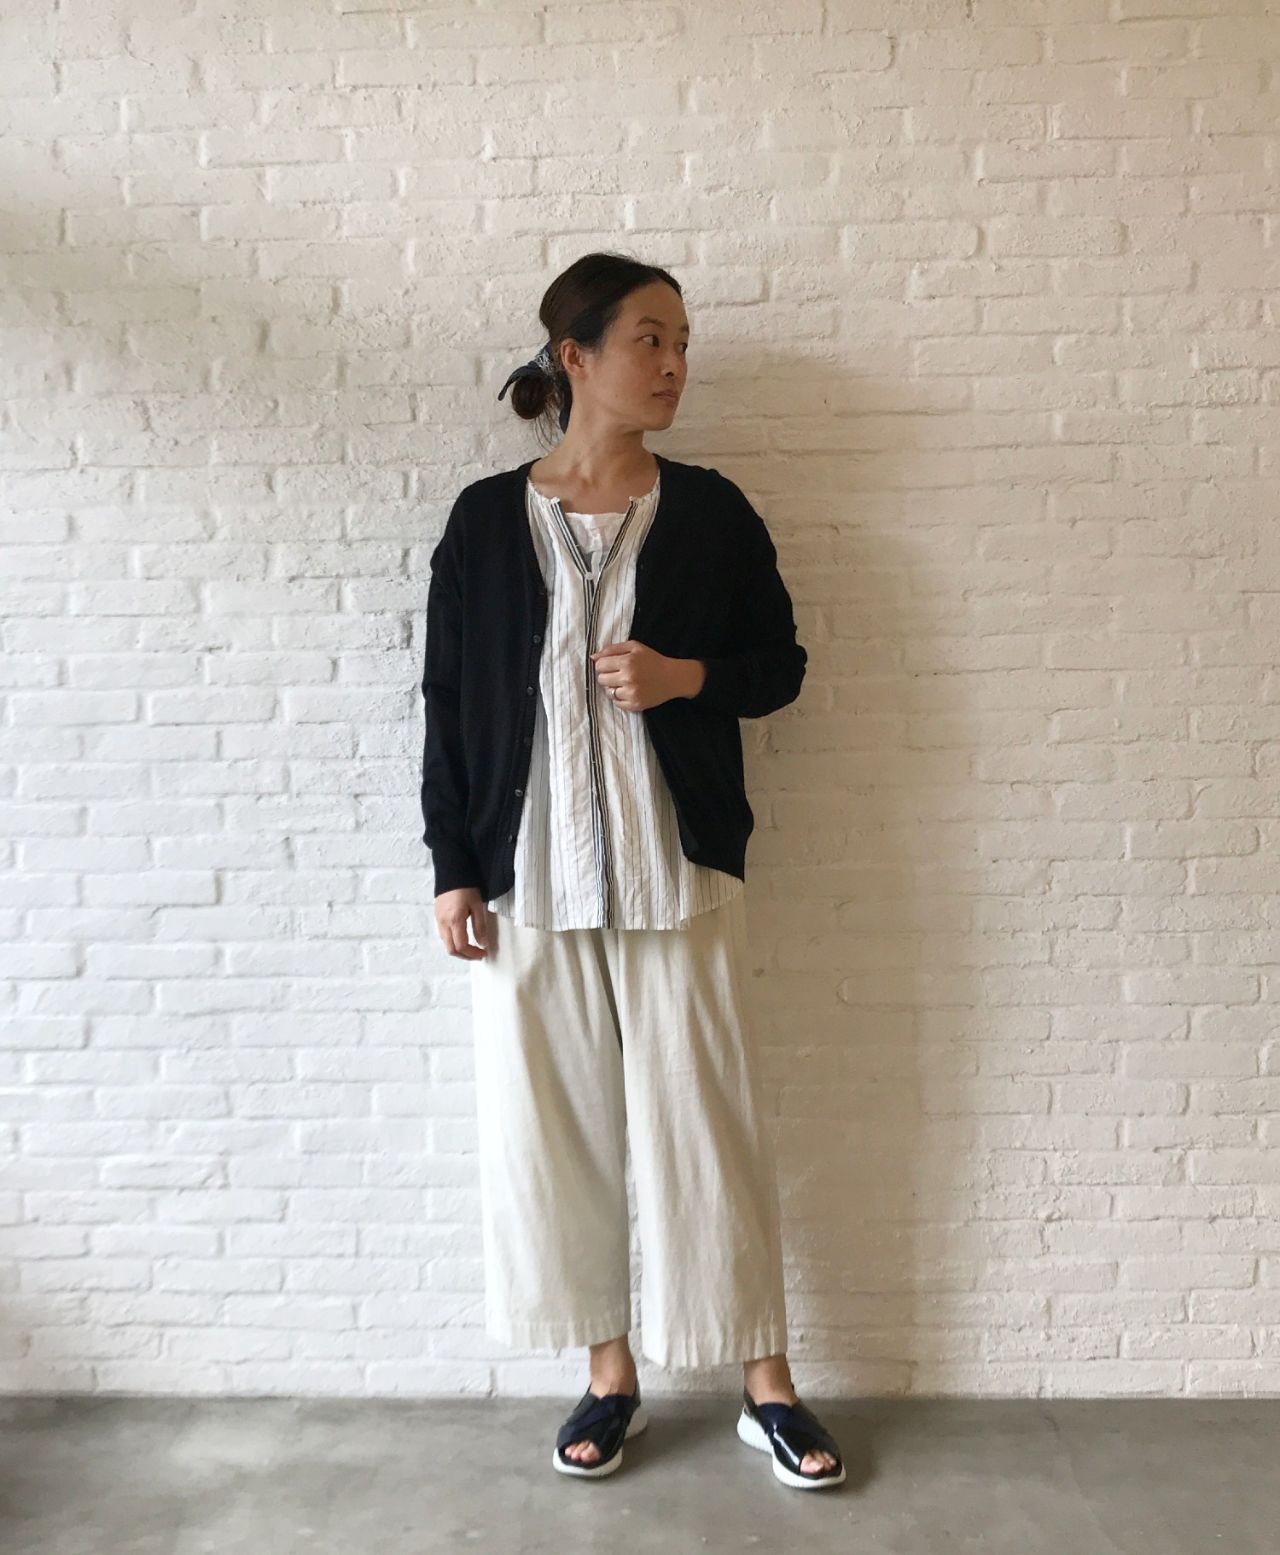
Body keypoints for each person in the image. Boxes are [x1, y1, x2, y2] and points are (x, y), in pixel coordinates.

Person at [420, 251, 844, 1489]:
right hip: (528, 877)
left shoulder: (709, 511)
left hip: (679, 868)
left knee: (709, 1121)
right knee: (552, 1129)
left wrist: (682, 677)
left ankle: (765, 1385)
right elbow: (448, 704)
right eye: (650, 338)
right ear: (577, 356)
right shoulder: (483, 522)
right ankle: (609, 1377)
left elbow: (778, 665)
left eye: (682, 343)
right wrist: (453, 865)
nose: (672, 364)